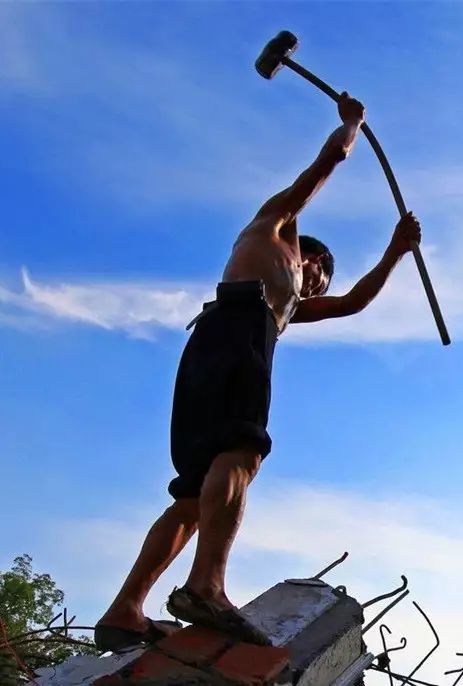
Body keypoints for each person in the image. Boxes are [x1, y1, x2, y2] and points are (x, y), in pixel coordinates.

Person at [93, 93, 421, 652]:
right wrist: (351, 125)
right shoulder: (273, 232)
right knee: (242, 451)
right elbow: (324, 167)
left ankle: (125, 609)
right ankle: (206, 585)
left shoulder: (287, 306)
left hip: (218, 345)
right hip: (235, 332)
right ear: (309, 255)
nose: (318, 284)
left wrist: (396, 251)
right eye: (320, 272)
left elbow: (353, 304)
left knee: (195, 497)